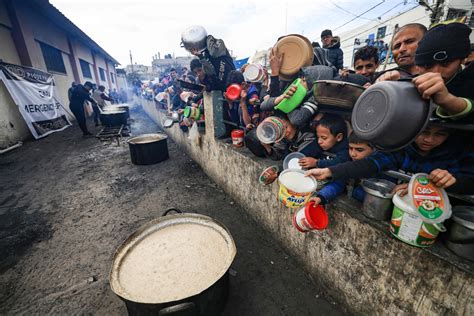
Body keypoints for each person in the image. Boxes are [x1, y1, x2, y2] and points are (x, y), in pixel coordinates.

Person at [306, 124, 474, 194]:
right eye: (424, 132)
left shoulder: (457, 154)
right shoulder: (401, 150)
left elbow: (468, 181)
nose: (429, 139)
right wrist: (328, 171)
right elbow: (371, 163)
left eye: (439, 134)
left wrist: (451, 181)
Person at [412, 22, 473, 121]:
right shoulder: (408, 81)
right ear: (417, 66)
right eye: (427, 65)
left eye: (445, 64)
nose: (436, 73)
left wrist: (448, 101)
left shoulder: (469, 83)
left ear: (462, 60)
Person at [310, 133, 375, 207]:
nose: (353, 154)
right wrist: (321, 197)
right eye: (350, 148)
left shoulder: (382, 168)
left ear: (374, 150)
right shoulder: (347, 164)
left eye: (359, 150)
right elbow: (337, 184)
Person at [186, 27, 235, 91]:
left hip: (233, 86)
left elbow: (214, 54)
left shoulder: (214, 45)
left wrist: (200, 56)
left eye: (199, 70)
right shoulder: (205, 57)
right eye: (196, 73)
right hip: (224, 93)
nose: (198, 74)